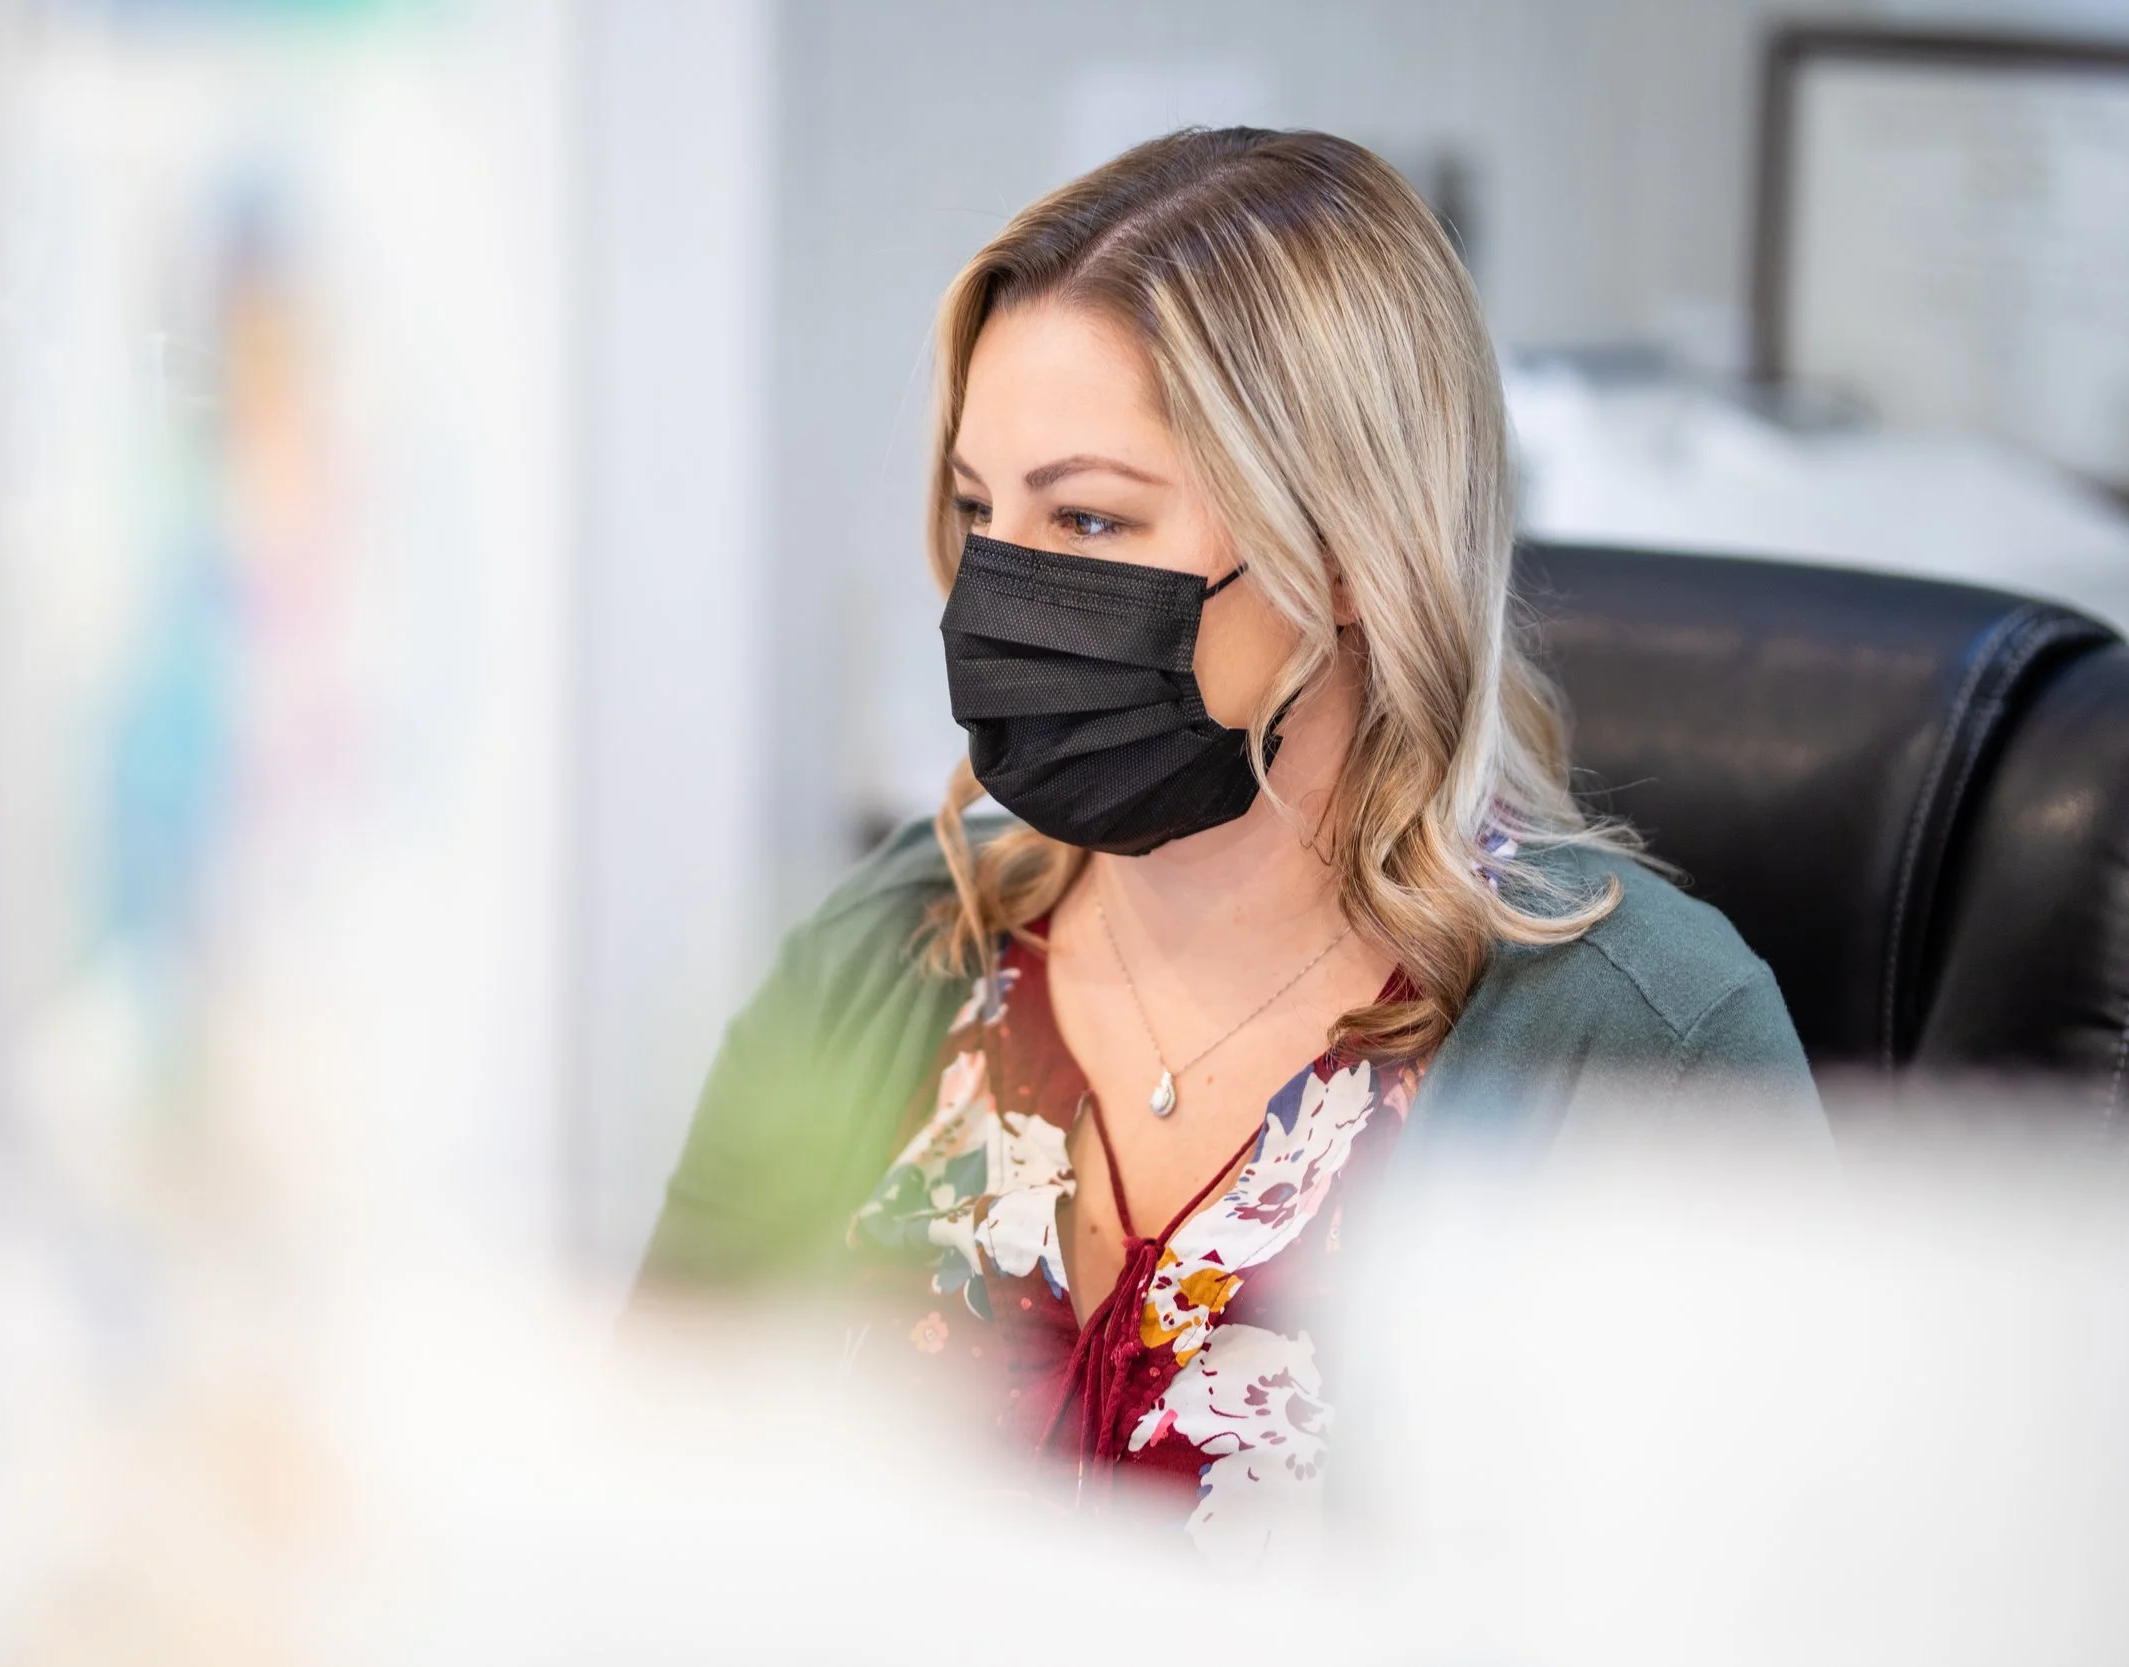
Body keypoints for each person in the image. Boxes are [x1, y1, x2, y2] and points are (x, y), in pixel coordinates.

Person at [636, 128, 1824, 1550]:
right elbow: (647, 1501)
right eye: (977, 511)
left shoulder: (1637, 1041)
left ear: (1344, 554)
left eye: (1087, 516)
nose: (1003, 586)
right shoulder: (897, 947)